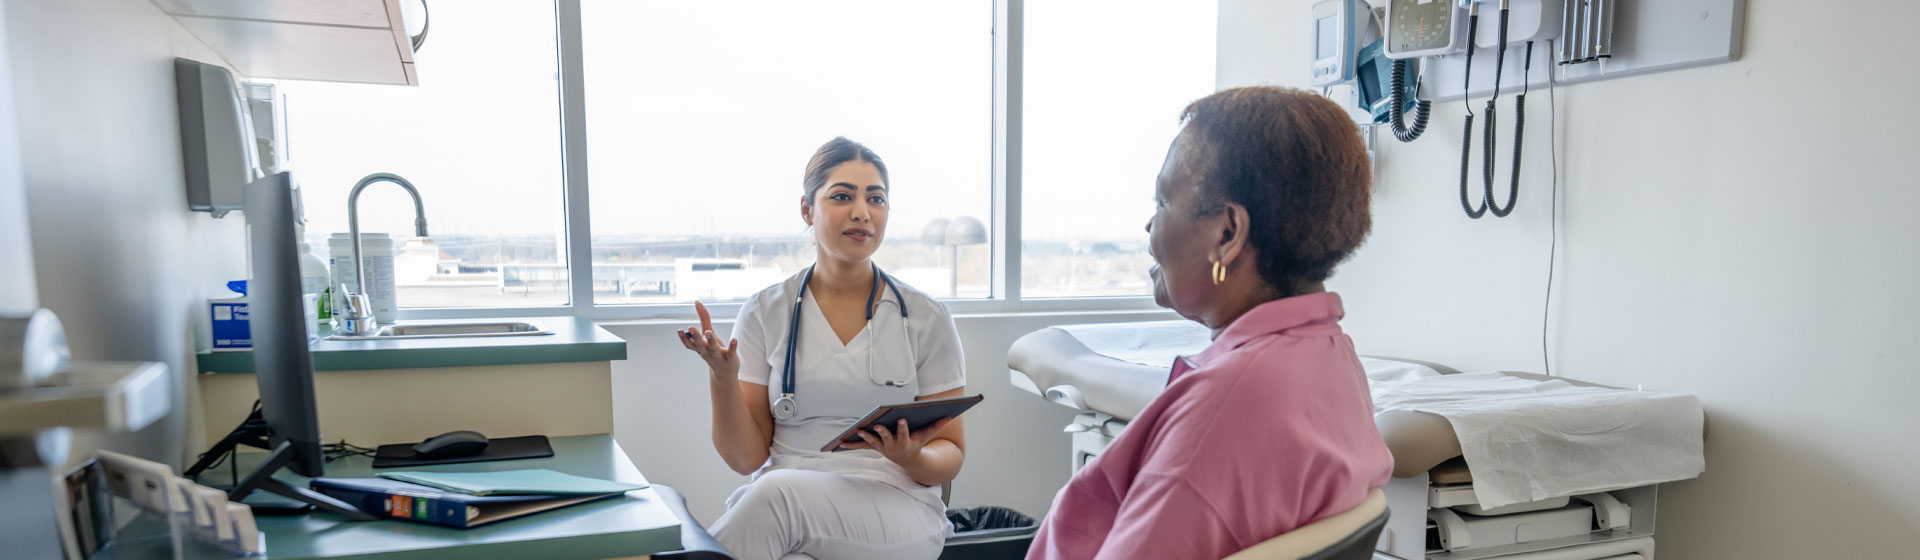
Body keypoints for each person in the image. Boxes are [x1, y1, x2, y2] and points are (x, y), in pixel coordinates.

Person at [1027, 86, 1394, 559]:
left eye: (1162, 202)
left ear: (1227, 234)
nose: (1149, 228)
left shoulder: (1221, 409)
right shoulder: (1332, 356)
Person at [676, 137, 968, 560]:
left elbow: (952, 454)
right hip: (785, 501)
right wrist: (722, 379)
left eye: (876, 198)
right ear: (806, 209)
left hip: (897, 505)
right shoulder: (765, 311)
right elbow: (745, 459)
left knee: (774, 497)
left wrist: (912, 456)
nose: (862, 212)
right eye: (842, 196)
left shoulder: (926, 317)